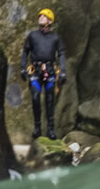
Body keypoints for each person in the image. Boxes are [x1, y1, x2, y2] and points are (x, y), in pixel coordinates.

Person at [19, 8, 66, 140]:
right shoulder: (33, 35)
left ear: (49, 21)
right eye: (40, 16)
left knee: (50, 100)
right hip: (36, 71)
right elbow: (25, 52)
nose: (40, 17)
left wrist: (63, 71)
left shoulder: (55, 38)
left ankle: (51, 130)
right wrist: (23, 68)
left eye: (43, 16)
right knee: (35, 97)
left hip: (50, 71)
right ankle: (37, 128)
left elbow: (61, 54)